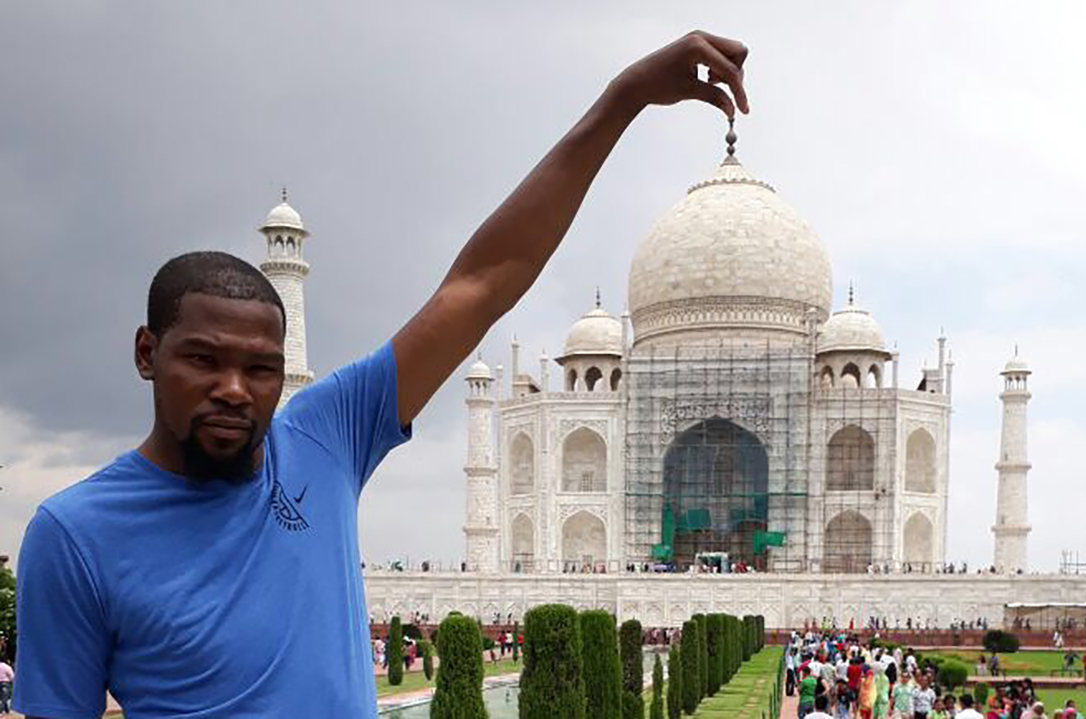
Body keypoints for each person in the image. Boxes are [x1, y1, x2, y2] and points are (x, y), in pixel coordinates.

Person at [12, 29, 752, 719]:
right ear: (147, 352)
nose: (235, 388)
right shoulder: (76, 535)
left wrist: (622, 99)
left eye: (262, 367)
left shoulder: (322, 434)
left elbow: (485, 280)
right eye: (203, 359)